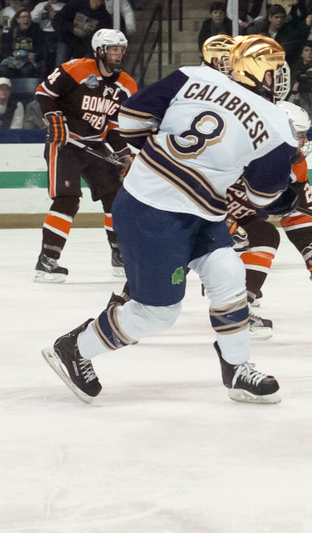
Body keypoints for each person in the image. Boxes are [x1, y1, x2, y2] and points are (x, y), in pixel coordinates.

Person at [42, 35, 296, 405]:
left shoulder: (192, 76)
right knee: (157, 314)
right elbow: (261, 199)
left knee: (228, 275)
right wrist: (280, 196)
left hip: (185, 209)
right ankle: (75, 348)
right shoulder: (276, 124)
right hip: (153, 214)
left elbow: (128, 121)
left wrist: (170, 161)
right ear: (267, 73)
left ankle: (237, 368)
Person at [224, 99, 312, 339]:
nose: (304, 141)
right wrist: (220, 221)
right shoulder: (236, 150)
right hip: (198, 215)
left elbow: (296, 214)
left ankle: (238, 309)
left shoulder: (296, 166)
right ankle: (129, 299)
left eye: (305, 135)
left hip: (240, 220)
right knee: (171, 268)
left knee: (265, 235)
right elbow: (195, 187)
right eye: (300, 135)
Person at [33, 29, 136, 283]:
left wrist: (123, 153)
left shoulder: (127, 85)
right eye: (112, 49)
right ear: (99, 50)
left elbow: (113, 125)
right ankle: (47, 260)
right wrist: (53, 118)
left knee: (116, 198)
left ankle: (118, 254)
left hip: (96, 146)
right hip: (65, 143)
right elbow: (44, 93)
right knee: (68, 200)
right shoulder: (76, 69)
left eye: (120, 49)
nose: (118, 53)